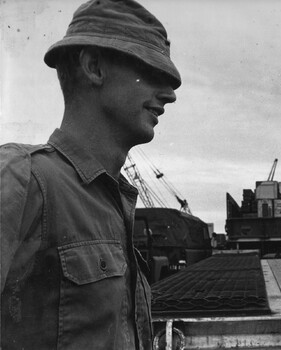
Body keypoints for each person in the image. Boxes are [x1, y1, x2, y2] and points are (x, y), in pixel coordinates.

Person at [0, 0, 181, 349]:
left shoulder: (113, 201)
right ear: (94, 66)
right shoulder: (22, 178)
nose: (170, 95)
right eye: (152, 74)